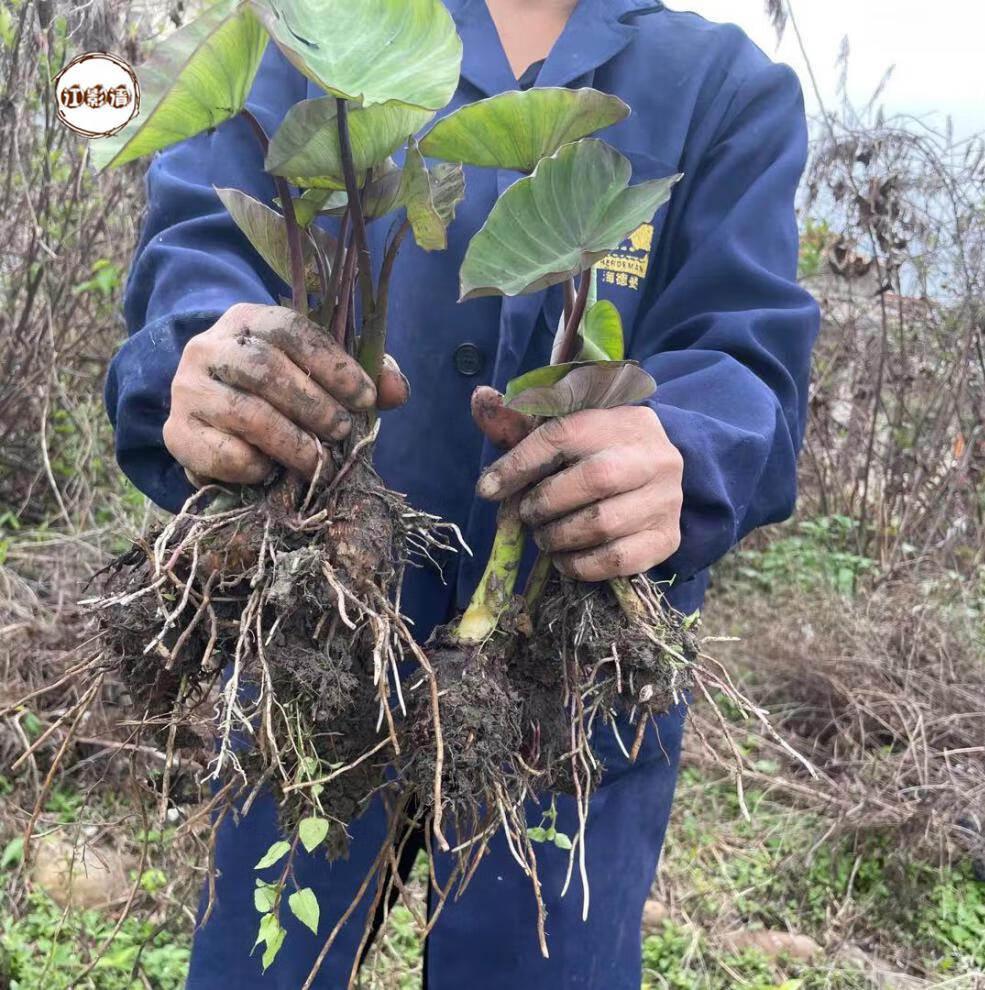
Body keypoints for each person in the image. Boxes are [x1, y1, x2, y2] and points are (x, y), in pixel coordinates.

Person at [106, 0, 820, 985]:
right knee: (262, 958)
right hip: (318, 625)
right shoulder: (312, 27)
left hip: (564, 676)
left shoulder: (722, 89)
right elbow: (197, 254)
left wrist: (686, 452)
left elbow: (746, 354)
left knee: (534, 950)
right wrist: (206, 363)